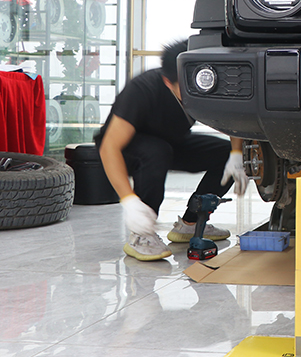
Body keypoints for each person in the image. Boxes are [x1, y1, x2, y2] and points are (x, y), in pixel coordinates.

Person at [96, 39, 249, 261]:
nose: (196, 93)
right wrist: (129, 201)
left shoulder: (207, 80)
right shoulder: (142, 90)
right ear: (168, 82)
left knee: (224, 153)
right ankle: (141, 235)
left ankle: (190, 223)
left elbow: (231, 115)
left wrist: (236, 154)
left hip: (171, 142)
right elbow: (109, 147)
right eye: (187, 89)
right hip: (127, 150)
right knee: (156, 152)